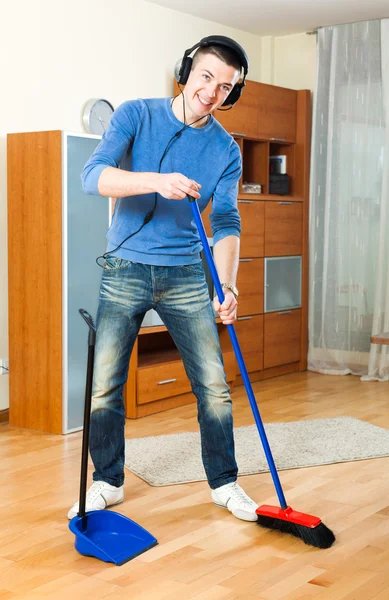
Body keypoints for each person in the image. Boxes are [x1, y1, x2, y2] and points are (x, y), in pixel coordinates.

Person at [68, 35, 259, 522]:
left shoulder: (225, 150)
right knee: (106, 386)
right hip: (125, 267)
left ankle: (225, 483)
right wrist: (157, 181)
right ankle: (106, 483)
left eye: (225, 87)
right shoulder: (136, 114)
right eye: (207, 77)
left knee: (213, 387)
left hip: (188, 275)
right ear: (186, 71)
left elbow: (228, 223)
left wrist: (229, 285)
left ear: (232, 94)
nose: (212, 92)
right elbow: (92, 177)